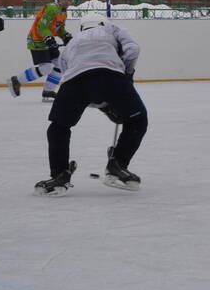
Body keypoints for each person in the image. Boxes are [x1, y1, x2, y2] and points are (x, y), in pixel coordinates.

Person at [34, 18, 148, 194]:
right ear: (103, 23)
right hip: (110, 75)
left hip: (74, 81)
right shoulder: (112, 29)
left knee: (58, 127)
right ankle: (117, 165)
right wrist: (127, 73)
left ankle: (59, 175)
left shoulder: (73, 41)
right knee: (138, 120)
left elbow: (66, 69)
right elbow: (133, 49)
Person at [8, 0, 74, 101]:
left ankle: (48, 91)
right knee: (46, 68)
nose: (67, 2)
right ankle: (17, 80)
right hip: (37, 40)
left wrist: (65, 35)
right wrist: (48, 38)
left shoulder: (63, 12)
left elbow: (58, 28)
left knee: (60, 65)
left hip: (47, 40)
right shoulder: (52, 8)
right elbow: (41, 27)